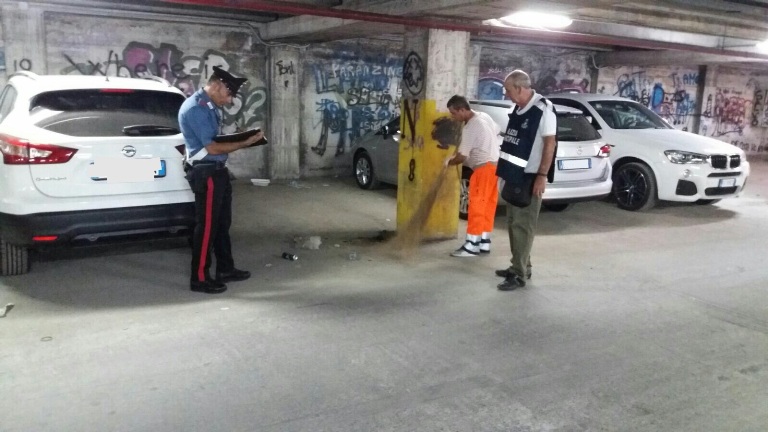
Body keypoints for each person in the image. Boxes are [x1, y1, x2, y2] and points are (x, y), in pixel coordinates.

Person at [179, 66, 264, 294]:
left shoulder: (210, 105)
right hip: (206, 172)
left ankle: (225, 268)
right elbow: (213, 147)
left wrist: (240, 136)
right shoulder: (197, 108)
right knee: (206, 227)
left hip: (217, 171)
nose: (229, 100)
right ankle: (199, 278)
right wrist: (245, 143)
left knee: (221, 225)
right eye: (229, 94)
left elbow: (215, 139)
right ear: (217, 85)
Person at [495, 70, 556, 291]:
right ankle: (520, 265)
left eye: (509, 90)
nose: (507, 94)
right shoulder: (520, 109)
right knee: (514, 224)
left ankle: (518, 275)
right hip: (514, 176)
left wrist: (541, 176)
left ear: (520, 88)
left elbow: (550, 144)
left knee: (524, 227)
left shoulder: (543, 110)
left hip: (530, 179)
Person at [444, 95, 501, 257]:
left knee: (476, 206)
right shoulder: (484, 116)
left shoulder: (470, 128)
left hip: (483, 170)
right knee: (488, 206)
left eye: (454, 113)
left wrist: (449, 162)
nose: (453, 117)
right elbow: (496, 131)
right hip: (495, 167)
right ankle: (484, 242)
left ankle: (471, 245)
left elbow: (462, 157)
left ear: (462, 110)